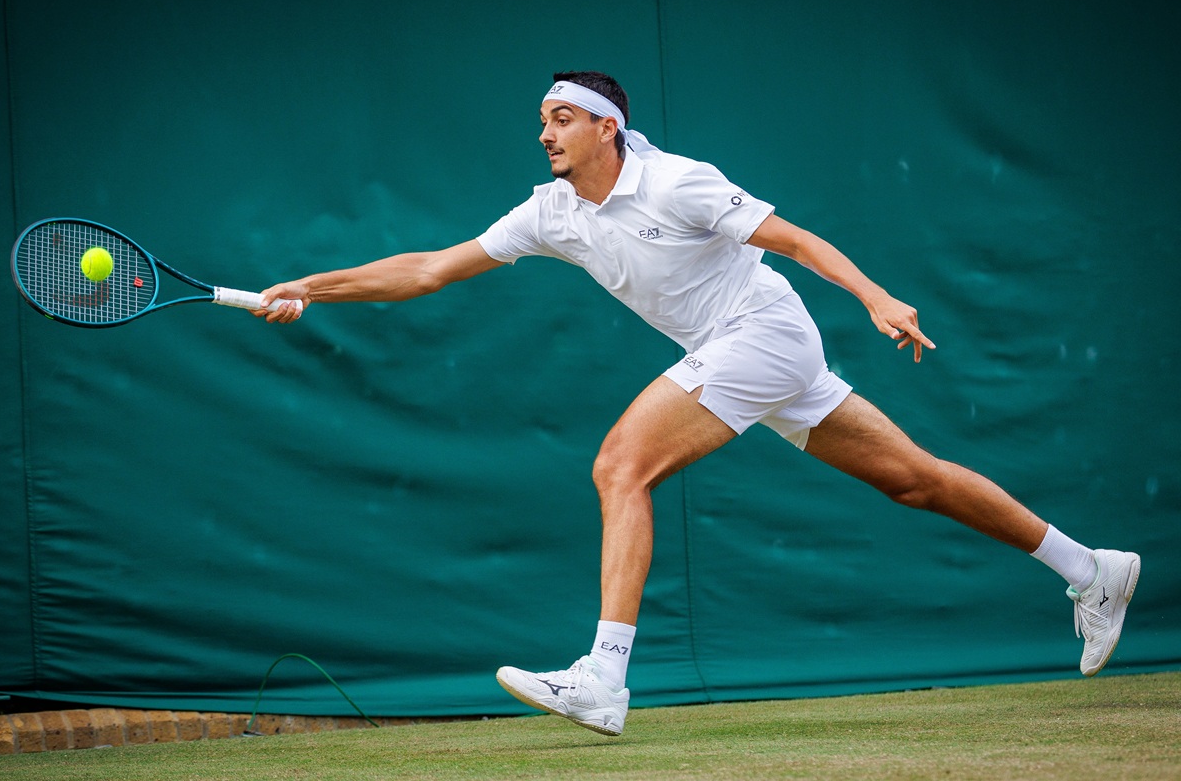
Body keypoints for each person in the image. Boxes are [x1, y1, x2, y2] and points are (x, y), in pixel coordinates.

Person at [256, 70, 1141, 737]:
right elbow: (426, 270)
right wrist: (310, 286)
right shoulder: (550, 213)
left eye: (560, 119)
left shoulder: (677, 181)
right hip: (745, 351)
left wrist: (875, 296)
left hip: (764, 330)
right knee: (915, 480)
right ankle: (1090, 569)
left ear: (607, 126)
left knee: (620, 466)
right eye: (542, 121)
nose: (545, 134)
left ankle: (604, 678)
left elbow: (793, 238)